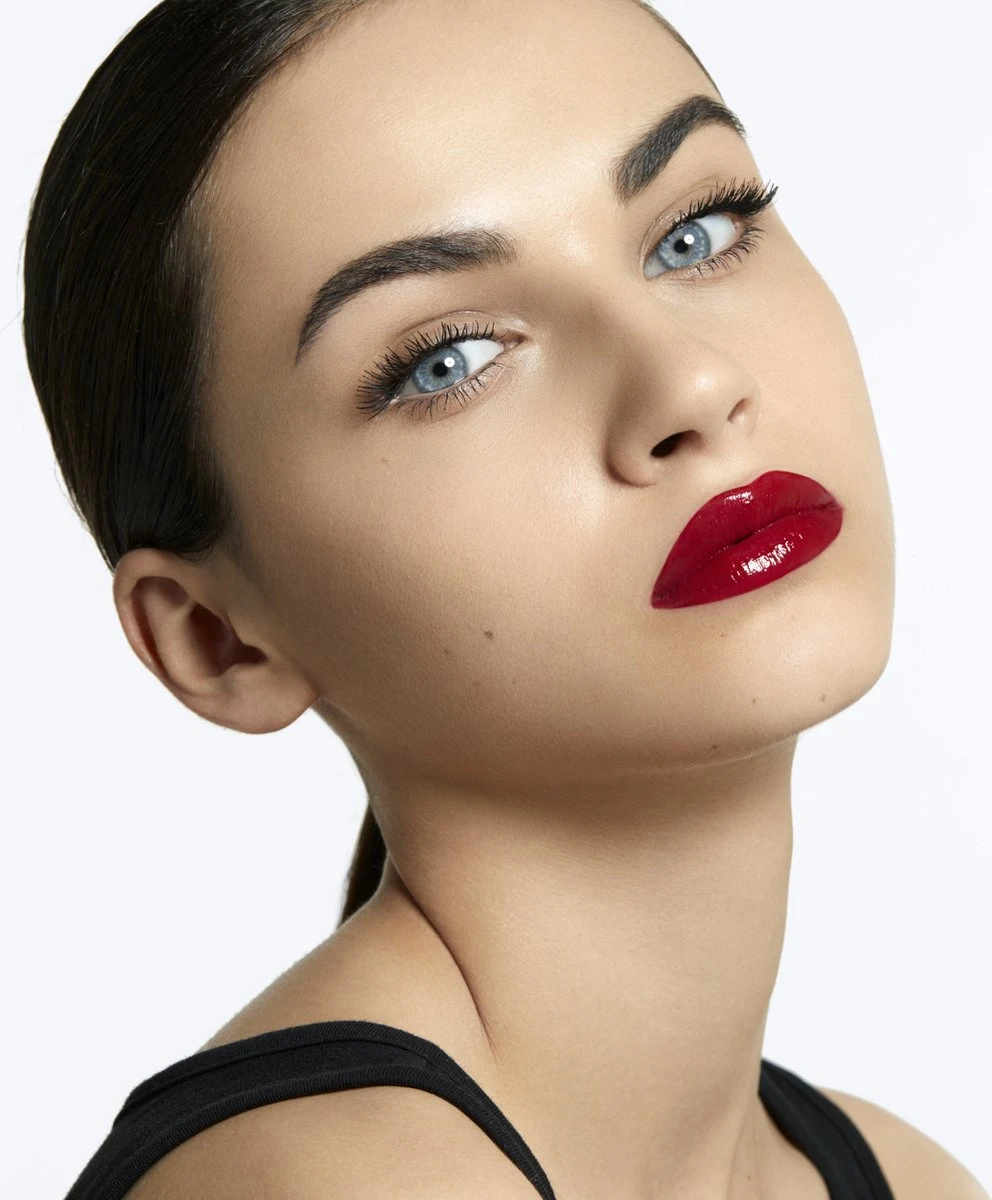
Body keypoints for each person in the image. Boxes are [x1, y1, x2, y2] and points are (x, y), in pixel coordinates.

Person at [23, 1, 988, 1197]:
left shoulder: (905, 1176)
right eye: (447, 361)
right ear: (218, 639)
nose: (691, 383)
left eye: (693, 232)